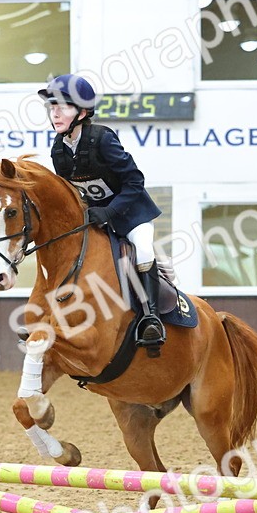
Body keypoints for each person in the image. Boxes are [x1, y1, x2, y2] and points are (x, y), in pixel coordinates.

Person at [37, 73, 166, 348]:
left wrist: (110, 211)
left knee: (143, 250)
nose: (55, 113)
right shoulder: (58, 148)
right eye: (52, 107)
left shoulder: (103, 138)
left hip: (132, 214)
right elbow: (72, 192)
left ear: (82, 112)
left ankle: (151, 318)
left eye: (63, 107)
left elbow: (135, 182)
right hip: (96, 218)